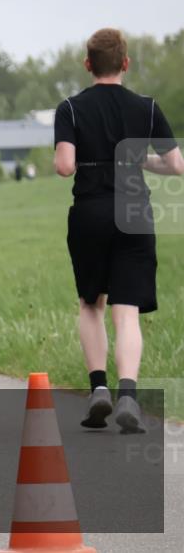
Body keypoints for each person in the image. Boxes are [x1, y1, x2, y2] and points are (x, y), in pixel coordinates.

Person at [53, 28, 182, 433]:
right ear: (125, 63)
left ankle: (98, 390)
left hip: (90, 212)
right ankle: (128, 394)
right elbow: (177, 165)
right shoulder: (146, 108)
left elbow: (64, 166)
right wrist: (139, 161)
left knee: (92, 304)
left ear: (88, 64)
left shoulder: (70, 109)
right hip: (134, 212)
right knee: (127, 313)